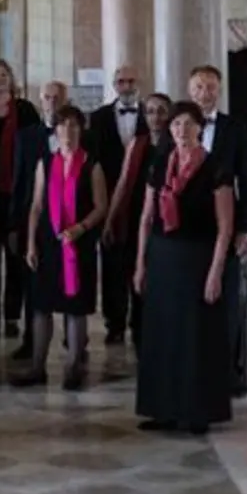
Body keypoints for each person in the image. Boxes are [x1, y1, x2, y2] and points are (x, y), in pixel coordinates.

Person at [133, 101, 235, 434]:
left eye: (188, 124)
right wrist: (140, 264)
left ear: (199, 128)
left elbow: (225, 226)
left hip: (198, 258)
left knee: (194, 338)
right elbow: (147, 218)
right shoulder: (160, 163)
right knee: (163, 335)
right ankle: (162, 408)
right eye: (176, 125)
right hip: (163, 258)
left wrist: (216, 272)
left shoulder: (215, 166)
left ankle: (197, 411)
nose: (181, 131)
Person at [175, 66, 247, 392]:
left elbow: (246, 181)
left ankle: (229, 373)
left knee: (226, 300)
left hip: (226, 224)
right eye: (198, 86)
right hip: (188, 230)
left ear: (218, 91)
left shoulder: (234, 128)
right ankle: (194, 370)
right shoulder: (178, 127)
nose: (204, 93)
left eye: (210, 87)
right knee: (193, 301)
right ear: (190, 90)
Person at [14, 106, 107, 391]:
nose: (68, 131)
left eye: (74, 126)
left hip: (78, 244)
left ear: (81, 130)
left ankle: (73, 366)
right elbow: (37, 205)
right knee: (42, 306)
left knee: (75, 307)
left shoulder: (92, 165)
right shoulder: (46, 162)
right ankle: (37, 366)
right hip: (48, 242)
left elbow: (102, 206)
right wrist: (30, 242)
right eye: (63, 126)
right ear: (55, 131)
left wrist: (81, 228)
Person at [0, 60, 39, 342]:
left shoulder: (24, 110)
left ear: (11, 80)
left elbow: (36, 148)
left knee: (15, 258)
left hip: (18, 193)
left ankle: (13, 316)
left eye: (3, 75)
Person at [9, 80, 69, 361]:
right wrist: (14, 224)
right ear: (40, 100)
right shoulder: (26, 136)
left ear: (65, 100)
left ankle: (74, 344)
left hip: (70, 221)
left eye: (57, 98)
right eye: (47, 97)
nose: (52, 102)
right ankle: (31, 342)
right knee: (33, 285)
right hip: (36, 219)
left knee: (72, 280)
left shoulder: (80, 134)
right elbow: (19, 181)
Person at [108, 92, 172, 352]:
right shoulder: (137, 143)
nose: (155, 117)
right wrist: (111, 218)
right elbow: (123, 183)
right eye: (151, 111)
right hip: (136, 217)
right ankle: (138, 331)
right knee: (136, 273)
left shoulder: (175, 144)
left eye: (161, 111)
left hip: (166, 221)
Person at [91, 66, 149, 347]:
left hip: (143, 202)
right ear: (113, 85)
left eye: (131, 80)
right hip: (108, 200)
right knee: (112, 266)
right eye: (121, 81)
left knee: (142, 262)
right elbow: (95, 161)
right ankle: (114, 323)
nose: (126, 86)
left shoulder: (152, 115)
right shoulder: (99, 117)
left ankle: (141, 322)